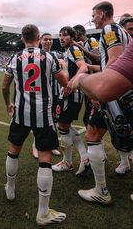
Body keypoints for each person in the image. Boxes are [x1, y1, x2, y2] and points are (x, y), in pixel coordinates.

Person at [2, 24, 68, 225]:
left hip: (21, 113)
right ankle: (43, 212)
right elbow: (64, 81)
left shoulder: (15, 58)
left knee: (13, 150)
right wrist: (64, 70)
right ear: (39, 37)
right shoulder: (49, 57)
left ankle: (10, 188)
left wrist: (8, 104)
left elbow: (5, 85)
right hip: (43, 113)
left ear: (22, 38)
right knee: (45, 158)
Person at [73, 1, 130, 205]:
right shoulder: (120, 31)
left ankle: (101, 190)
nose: (93, 19)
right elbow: (106, 57)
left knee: (92, 136)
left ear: (103, 13)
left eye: (94, 15)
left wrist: (100, 90)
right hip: (124, 91)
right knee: (131, 143)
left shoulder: (109, 28)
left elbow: (114, 61)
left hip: (115, 93)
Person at [52, 27, 89, 176]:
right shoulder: (68, 50)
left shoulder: (73, 48)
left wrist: (71, 83)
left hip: (72, 94)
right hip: (68, 93)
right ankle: (85, 157)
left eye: (65, 35)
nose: (61, 38)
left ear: (72, 37)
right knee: (65, 125)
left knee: (62, 126)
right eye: (60, 35)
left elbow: (83, 67)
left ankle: (67, 162)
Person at [113, 14, 133, 175]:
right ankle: (123, 161)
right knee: (121, 130)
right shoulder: (122, 44)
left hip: (129, 93)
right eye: (131, 29)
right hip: (123, 93)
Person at [32, 32, 61, 159]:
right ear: (40, 41)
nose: (48, 41)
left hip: (55, 92)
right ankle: (35, 146)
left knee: (52, 120)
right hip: (41, 94)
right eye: (45, 39)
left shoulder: (56, 55)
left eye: (50, 39)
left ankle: (52, 146)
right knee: (39, 120)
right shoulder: (36, 54)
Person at [73, 24, 100, 127]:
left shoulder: (91, 40)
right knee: (88, 118)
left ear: (78, 33)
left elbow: (97, 57)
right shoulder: (83, 44)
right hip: (88, 84)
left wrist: (80, 47)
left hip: (95, 83)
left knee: (92, 119)